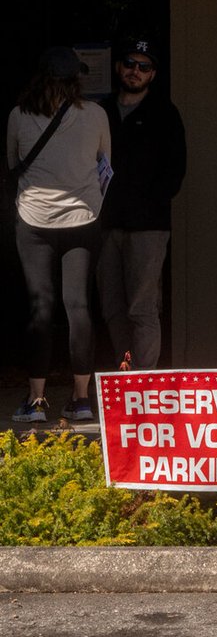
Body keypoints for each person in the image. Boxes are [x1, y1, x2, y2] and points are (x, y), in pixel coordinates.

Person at [7, 47, 110, 425]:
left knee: (41, 307)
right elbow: (105, 162)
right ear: (75, 80)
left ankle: (36, 400)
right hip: (83, 219)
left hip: (34, 220)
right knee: (78, 306)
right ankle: (81, 399)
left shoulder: (18, 115)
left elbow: (12, 162)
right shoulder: (96, 114)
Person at [97, 35, 187, 371]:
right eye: (130, 63)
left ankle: (143, 381)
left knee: (142, 308)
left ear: (153, 74)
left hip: (148, 227)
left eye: (144, 66)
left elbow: (175, 171)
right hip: (105, 224)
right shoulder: (101, 111)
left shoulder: (165, 113)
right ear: (118, 67)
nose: (135, 71)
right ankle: (124, 377)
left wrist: (148, 202)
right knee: (112, 307)